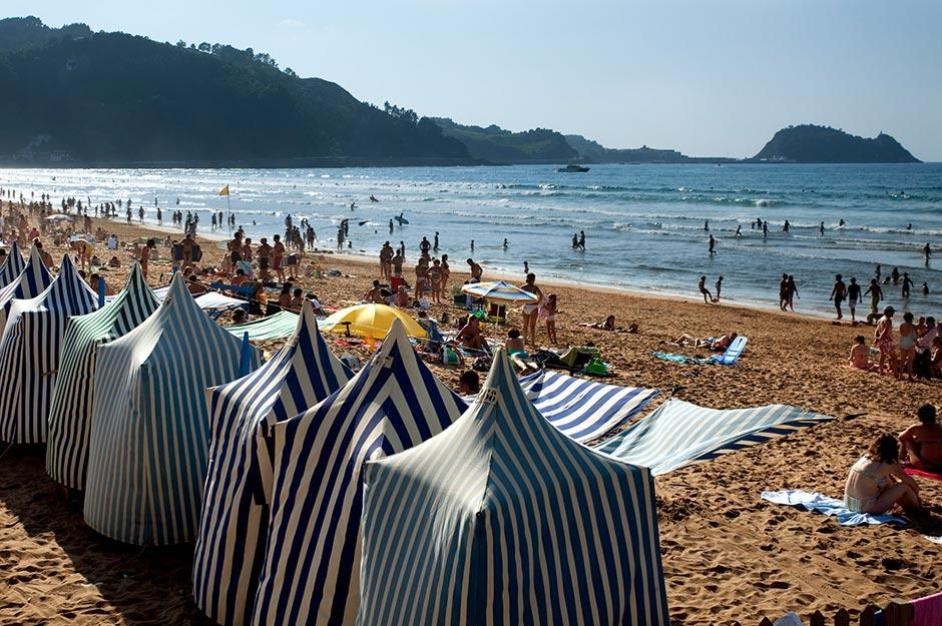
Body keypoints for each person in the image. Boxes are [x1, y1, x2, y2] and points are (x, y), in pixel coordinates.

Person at [844, 434, 921, 515]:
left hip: (849, 503)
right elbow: (912, 483)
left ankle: (911, 506)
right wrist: (916, 495)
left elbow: (889, 484)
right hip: (865, 508)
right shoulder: (888, 464)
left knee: (889, 481)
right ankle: (917, 509)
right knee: (904, 486)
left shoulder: (866, 457)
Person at [899, 405, 942, 471]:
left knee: (907, 439)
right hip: (940, 465)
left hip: (925, 465)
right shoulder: (940, 427)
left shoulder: (917, 428)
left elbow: (900, 437)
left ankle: (901, 461)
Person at [520, 273, 543, 346]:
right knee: (532, 326)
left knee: (525, 325)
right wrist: (537, 303)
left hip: (526, 306)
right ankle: (532, 342)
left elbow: (518, 295)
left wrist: (523, 301)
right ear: (533, 279)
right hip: (533, 307)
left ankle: (525, 341)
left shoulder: (523, 287)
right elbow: (541, 296)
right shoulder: (535, 287)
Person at [874, 306, 896, 375]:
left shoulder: (880, 319)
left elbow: (877, 330)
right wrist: (880, 337)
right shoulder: (888, 320)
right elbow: (885, 331)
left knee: (882, 356)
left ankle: (881, 371)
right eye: (892, 312)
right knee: (894, 357)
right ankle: (896, 373)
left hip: (882, 340)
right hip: (887, 340)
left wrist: (877, 338)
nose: (893, 313)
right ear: (887, 312)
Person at [898, 312, 917, 380]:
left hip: (903, 343)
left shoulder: (901, 325)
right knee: (910, 361)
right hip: (910, 344)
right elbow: (915, 337)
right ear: (911, 318)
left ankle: (900, 375)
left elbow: (902, 334)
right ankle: (909, 376)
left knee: (902, 360)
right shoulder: (913, 326)